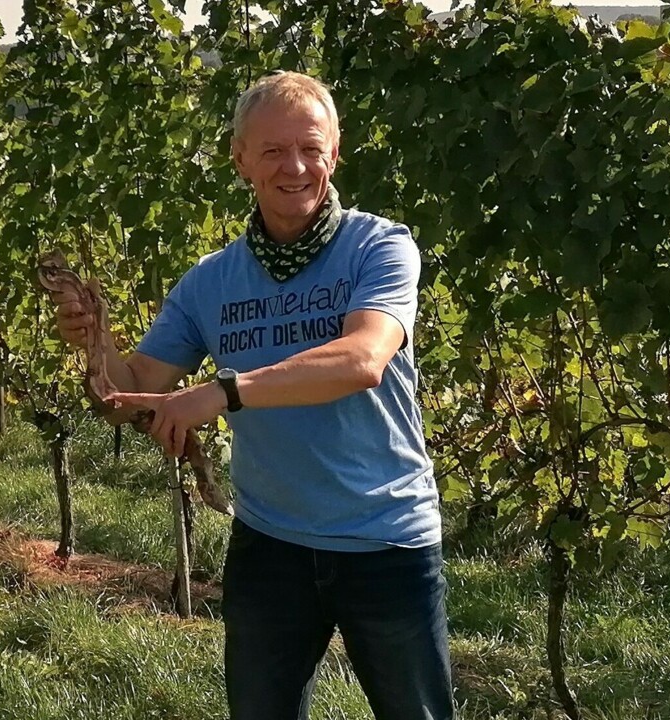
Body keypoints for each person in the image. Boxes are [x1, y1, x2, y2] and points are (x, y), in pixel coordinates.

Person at [51, 70, 452, 720]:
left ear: (334, 151)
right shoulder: (212, 281)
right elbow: (133, 391)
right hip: (271, 548)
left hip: (386, 543)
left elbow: (363, 359)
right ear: (240, 160)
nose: (295, 166)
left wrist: (222, 393)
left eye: (310, 147)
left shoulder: (379, 246)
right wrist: (93, 341)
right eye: (272, 151)